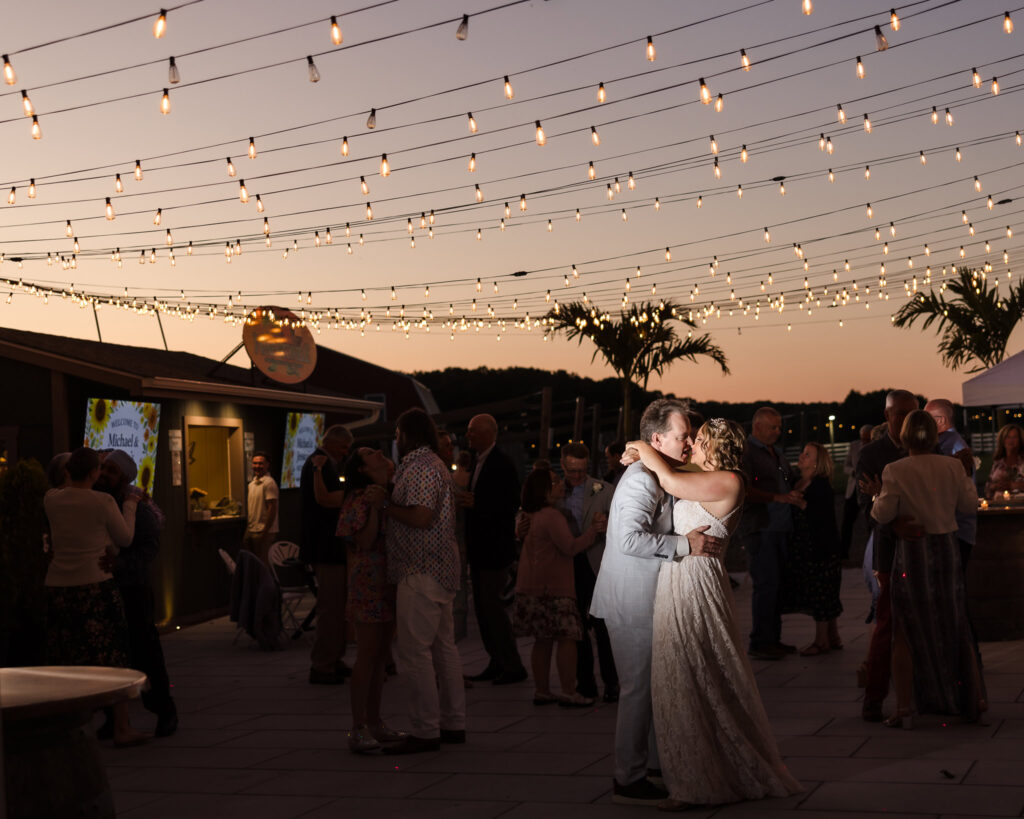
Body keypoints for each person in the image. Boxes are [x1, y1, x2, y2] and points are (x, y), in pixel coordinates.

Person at [625, 420, 802, 809]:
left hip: (696, 580)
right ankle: (695, 770)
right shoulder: (706, 475)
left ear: (711, 443)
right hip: (681, 575)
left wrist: (639, 442)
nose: (689, 442)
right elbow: (667, 470)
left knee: (694, 670)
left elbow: (669, 479)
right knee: (682, 670)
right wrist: (639, 454)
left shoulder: (730, 481)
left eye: (696, 438)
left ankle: (699, 784)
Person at [590, 398, 724, 806]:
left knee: (650, 687)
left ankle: (649, 766)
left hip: (646, 599)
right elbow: (627, 540)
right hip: (631, 602)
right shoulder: (640, 480)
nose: (687, 444)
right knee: (637, 689)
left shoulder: (660, 473)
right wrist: (688, 543)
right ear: (658, 439)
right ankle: (627, 778)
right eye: (683, 436)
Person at [871, 410, 987, 728]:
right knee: (956, 626)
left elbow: (882, 514)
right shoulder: (952, 467)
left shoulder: (895, 470)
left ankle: (904, 708)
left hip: (913, 554)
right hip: (946, 550)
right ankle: (973, 700)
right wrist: (963, 476)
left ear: (906, 436)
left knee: (905, 631)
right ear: (934, 437)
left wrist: (875, 496)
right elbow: (968, 506)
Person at [43, 447, 148, 746]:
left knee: (69, 656)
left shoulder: (50, 500)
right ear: (94, 474)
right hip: (95, 583)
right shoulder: (102, 501)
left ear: (66, 472)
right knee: (112, 656)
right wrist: (130, 503)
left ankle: (76, 727)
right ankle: (122, 728)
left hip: (59, 586)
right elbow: (126, 537)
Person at [381, 408, 466, 754]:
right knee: (444, 650)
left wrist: (386, 506)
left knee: (415, 653)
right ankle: (453, 722)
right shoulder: (434, 464)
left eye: (398, 435)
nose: (396, 441)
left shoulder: (420, 467)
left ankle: (425, 729)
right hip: (439, 569)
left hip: (421, 570)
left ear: (405, 434)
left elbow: (421, 516)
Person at [94, 450, 178, 738]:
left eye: (112, 471)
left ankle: (164, 710)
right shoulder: (97, 501)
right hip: (105, 589)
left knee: (146, 653)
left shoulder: (139, 510)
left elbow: (148, 550)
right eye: (103, 468)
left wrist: (122, 564)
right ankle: (113, 718)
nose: (104, 474)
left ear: (125, 478)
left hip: (133, 590)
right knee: (111, 656)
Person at [513, 467, 607, 706]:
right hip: (554, 588)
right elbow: (570, 547)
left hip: (531, 586)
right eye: (554, 482)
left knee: (542, 640)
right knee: (567, 638)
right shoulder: (552, 516)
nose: (560, 485)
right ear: (543, 490)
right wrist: (593, 532)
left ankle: (542, 690)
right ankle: (568, 690)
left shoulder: (529, 516)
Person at [332, 447, 405, 753]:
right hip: (368, 582)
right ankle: (358, 726)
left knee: (381, 657)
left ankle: (375, 721)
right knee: (367, 655)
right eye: (370, 453)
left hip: (389, 581)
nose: (379, 453)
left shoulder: (390, 492)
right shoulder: (357, 499)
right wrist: (376, 507)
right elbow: (364, 540)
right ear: (362, 468)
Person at [857, 389, 919, 722]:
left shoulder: (926, 448)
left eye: (913, 413)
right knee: (887, 626)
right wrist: (896, 523)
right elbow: (865, 509)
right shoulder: (872, 455)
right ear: (887, 416)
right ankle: (874, 696)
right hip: (890, 552)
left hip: (925, 548)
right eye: (901, 413)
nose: (908, 419)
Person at [462, 413, 527, 685]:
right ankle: (496, 660)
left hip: (494, 550)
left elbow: (508, 504)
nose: (468, 436)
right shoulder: (479, 462)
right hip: (480, 549)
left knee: (493, 609)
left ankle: (512, 665)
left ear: (489, 433)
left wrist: (475, 503)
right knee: (483, 609)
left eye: (472, 431)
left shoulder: (501, 464)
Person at [737, 407, 801, 661]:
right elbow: (743, 488)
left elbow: (788, 480)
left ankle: (773, 638)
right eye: (773, 427)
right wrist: (776, 497)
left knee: (777, 585)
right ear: (757, 427)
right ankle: (761, 641)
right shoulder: (748, 453)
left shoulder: (776, 453)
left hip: (781, 526)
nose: (778, 431)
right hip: (761, 527)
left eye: (778, 427)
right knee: (766, 585)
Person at [559, 442, 618, 703]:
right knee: (576, 627)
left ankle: (612, 684)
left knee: (604, 626)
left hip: (597, 563)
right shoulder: (554, 492)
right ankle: (585, 684)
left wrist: (608, 526)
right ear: (563, 465)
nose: (577, 476)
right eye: (572, 470)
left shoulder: (604, 490)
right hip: (566, 564)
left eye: (581, 471)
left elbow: (623, 525)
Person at [302, 425, 353, 685]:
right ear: (331, 443)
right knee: (331, 608)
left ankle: (334, 657)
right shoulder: (318, 464)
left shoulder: (325, 464)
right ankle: (322, 664)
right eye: (344, 447)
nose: (346, 453)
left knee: (337, 607)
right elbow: (326, 501)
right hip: (327, 547)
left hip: (330, 547)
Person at [783, 443, 843, 656]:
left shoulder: (820, 485)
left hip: (822, 548)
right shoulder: (798, 482)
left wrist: (801, 506)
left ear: (817, 463)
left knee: (823, 592)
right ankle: (833, 636)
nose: (801, 456)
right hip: (806, 547)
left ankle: (821, 640)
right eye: (803, 452)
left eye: (807, 455)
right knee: (821, 590)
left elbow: (822, 519)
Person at [925, 399, 977, 573]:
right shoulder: (948, 443)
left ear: (940, 420)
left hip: (956, 530)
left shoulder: (952, 446)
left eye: (927, 418)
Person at [840, 425, 873, 558]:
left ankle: (871, 553)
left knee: (870, 522)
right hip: (853, 489)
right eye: (863, 439)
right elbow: (846, 466)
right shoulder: (854, 446)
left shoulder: (875, 447)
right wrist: (852, 472)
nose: (864, 441)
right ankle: (843, 552)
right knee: (846, 522)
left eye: (867, 439)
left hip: (868, 488)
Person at [244, 452, 279, 565]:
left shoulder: (269, 483)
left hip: (264, 530)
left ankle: (265, 583)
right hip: (251, 528)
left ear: (267, 465)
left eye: (260, 464)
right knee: (250, 562)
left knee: (261, 564)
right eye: (255, 463)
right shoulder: (252, 484)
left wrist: (265, 531)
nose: (257, 466)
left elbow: (272, 508)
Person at [985, 422, 1024, 497]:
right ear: (1002, 440)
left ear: (1020, 440)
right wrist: (995, 486)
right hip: (998, 505)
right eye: (1007, 437)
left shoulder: (1022, 462)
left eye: (1014, 437)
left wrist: (1012, 485)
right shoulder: (998, 463)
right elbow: (988, 487)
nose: (1011, 441)